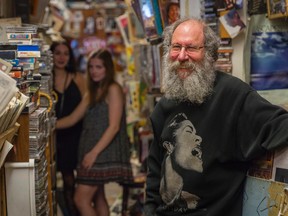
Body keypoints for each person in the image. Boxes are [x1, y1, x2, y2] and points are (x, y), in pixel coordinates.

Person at [144, 17, 288, 216]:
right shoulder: (165, 106)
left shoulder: (233, 95)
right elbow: (153, 179)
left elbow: (280, 126)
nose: (182, 56)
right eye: (176, 47)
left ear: (210, 55)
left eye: (191, 48)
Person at [56, 49, 133, 216]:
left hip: (100, 152)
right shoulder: (93, 91)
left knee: (80, 199)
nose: (93, 71)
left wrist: (93, 153)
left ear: (108, 69)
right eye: (91, 67)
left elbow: (114, 127)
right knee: (98, 198)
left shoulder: (113, 89)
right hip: (92, 149)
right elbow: (72, 118)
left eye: (99, 67)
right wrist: (48, 125)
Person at [51, 41, 86, 216]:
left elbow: (87, 104)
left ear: (70, 57)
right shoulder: (44, 78)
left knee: (69, 177)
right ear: (51, 55)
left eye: (66, 53)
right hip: (51, 136)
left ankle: (72, 211)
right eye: (57, 53)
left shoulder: (77, 77)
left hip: (74, 133)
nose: (62, 57)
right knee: (50, 177)